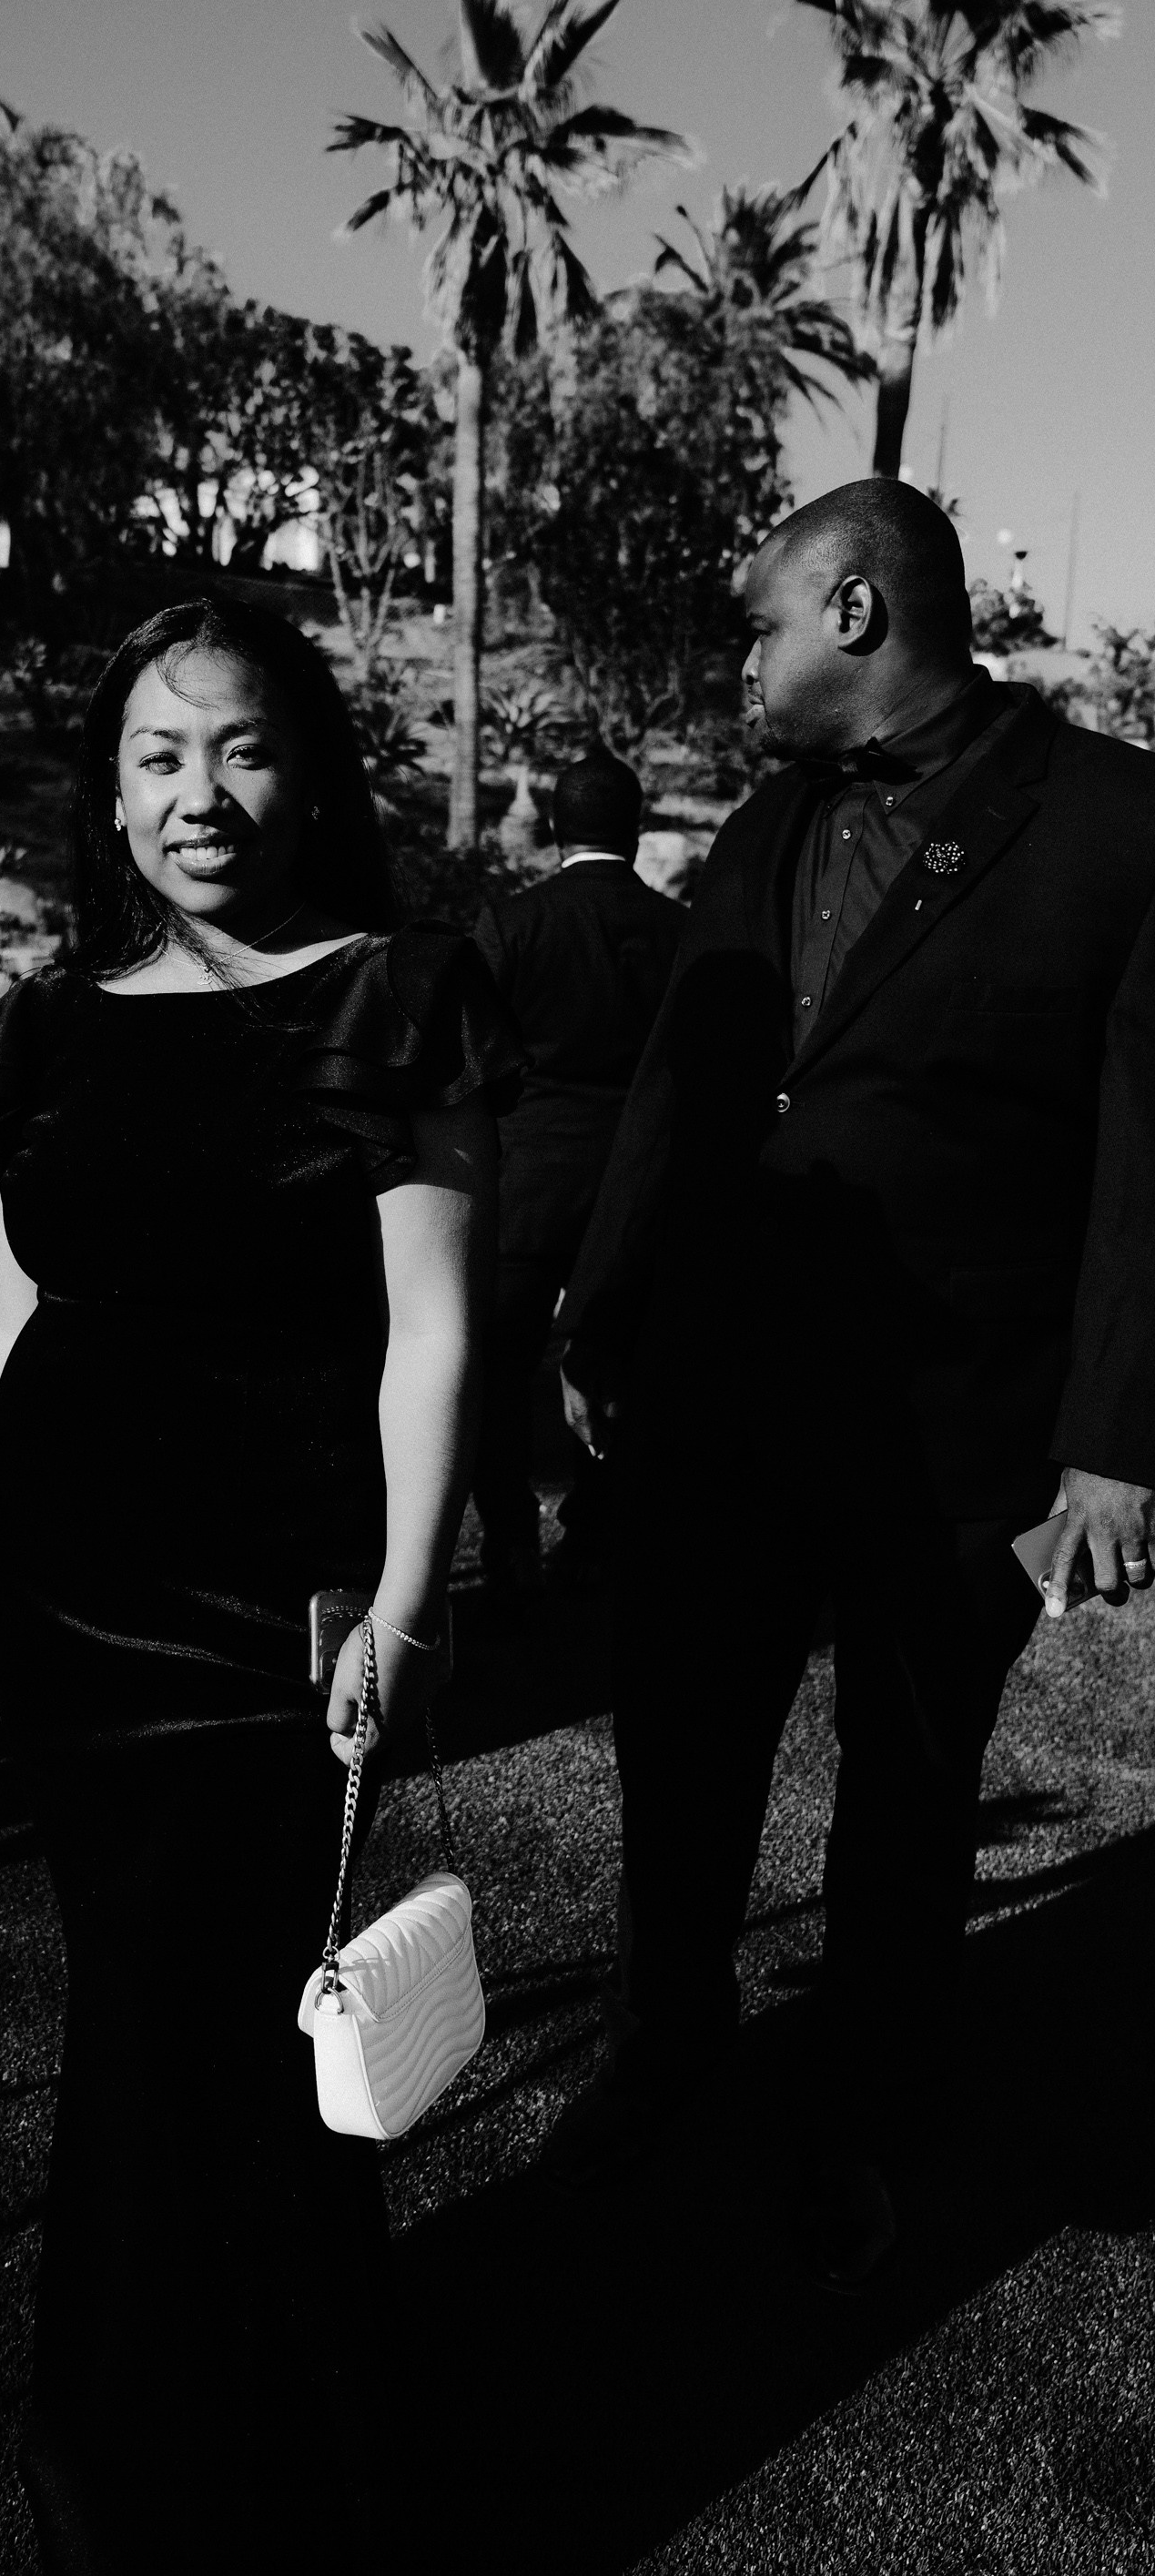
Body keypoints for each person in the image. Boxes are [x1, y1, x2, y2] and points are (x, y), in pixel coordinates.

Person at [0, 596, 520, 2570]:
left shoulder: (394, 993)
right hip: (70, 1591)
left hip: (268, 1601)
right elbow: (23, 1292)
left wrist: (405, 1593)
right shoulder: (50, 1027)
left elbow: (428, 1334)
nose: (202, 793)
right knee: (143, 2008)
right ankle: (175, 2446)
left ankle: (226, 2471)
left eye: (244, 747)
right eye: (160, 757)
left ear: (311, 777)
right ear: (111, 799)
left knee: (208, 2035)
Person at [544, 479, 1155, 2288]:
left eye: (760, 622)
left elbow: (1152, 1158)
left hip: (956, 1421)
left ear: (859, 613)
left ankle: (873, 2110)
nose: (743, 660)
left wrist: (1115, 1448)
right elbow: (686, 1084)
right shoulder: (758, 827)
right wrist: (600, 1316)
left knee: (906, 1782)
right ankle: (668, 2043)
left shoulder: (1121, 825)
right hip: (721, 1388)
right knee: (683, 1740)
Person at [469, 753, 685, 1598]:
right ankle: (594, 1528)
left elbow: (472, 1060)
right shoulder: (678, 932)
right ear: (634, 830)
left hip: (525, 1188)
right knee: (621, 1370)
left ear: (555, 828)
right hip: (634, 1189)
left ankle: (510, 1539)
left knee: (494, 1374)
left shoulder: (510, 924)